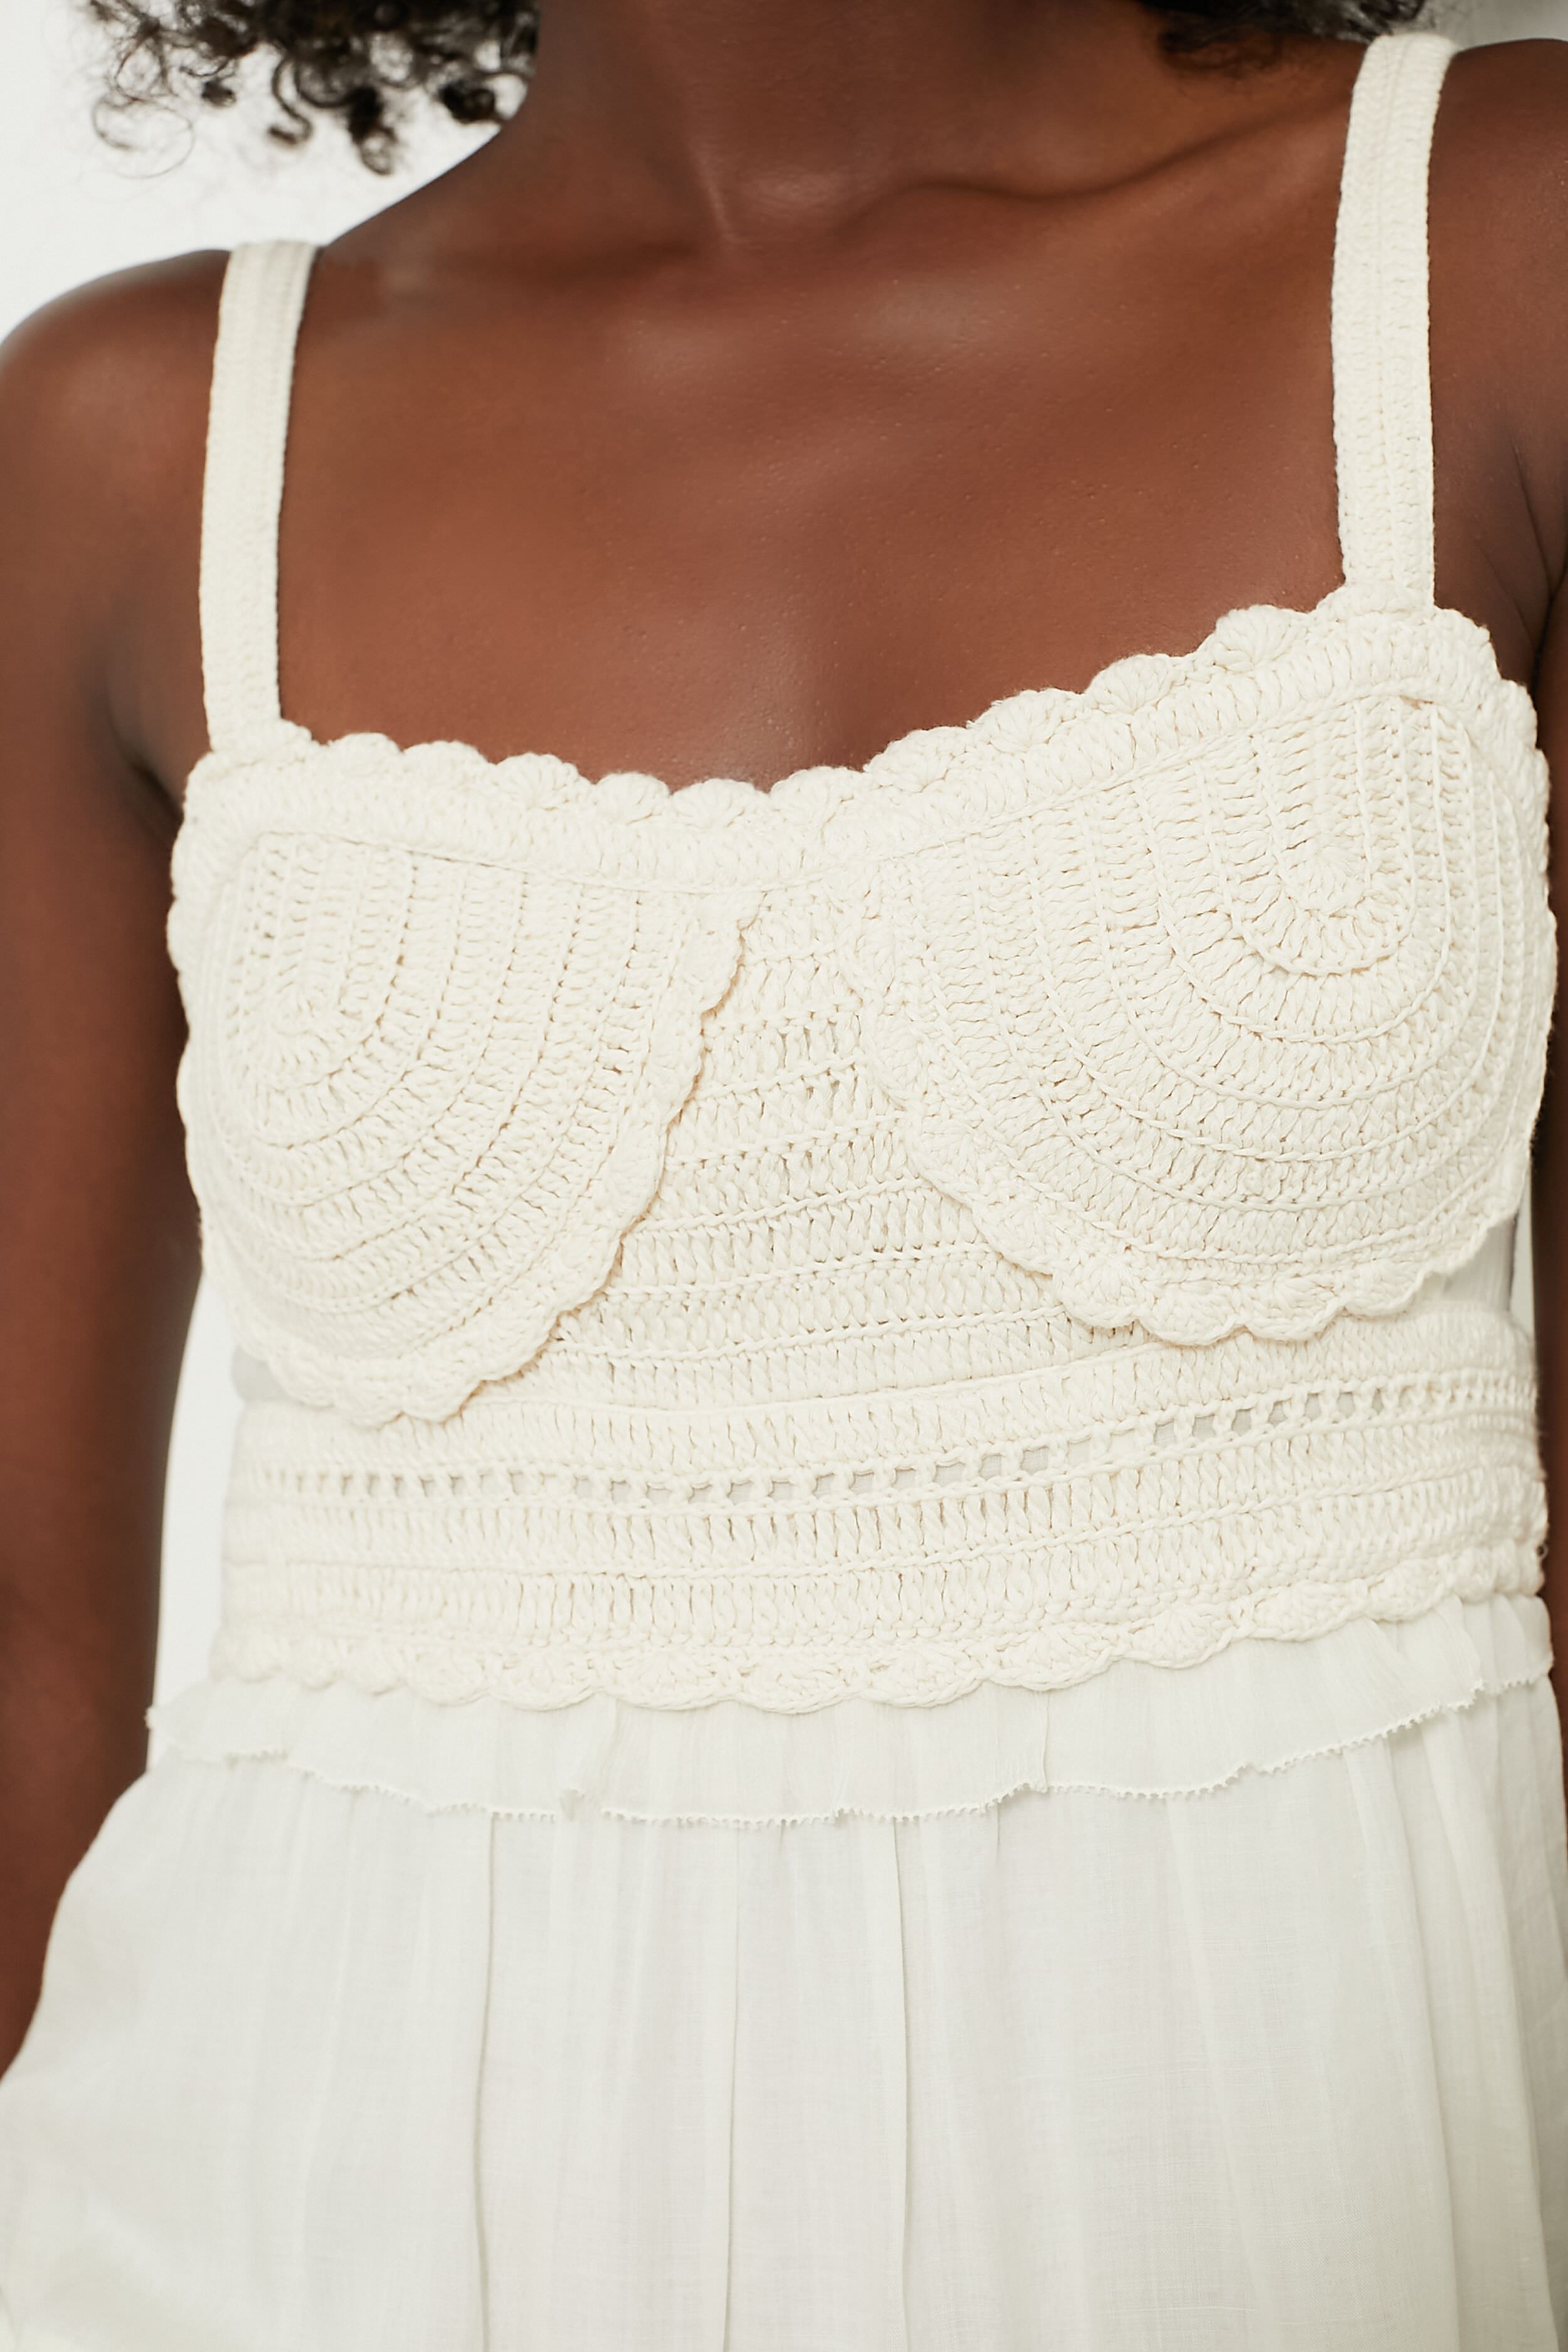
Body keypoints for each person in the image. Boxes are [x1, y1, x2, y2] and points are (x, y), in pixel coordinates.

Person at [0, 0, 1564, 2341]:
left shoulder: (1491, 243)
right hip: (306, 2207)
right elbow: (28, 1653)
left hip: (1308, 2200)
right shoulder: (131, 443)